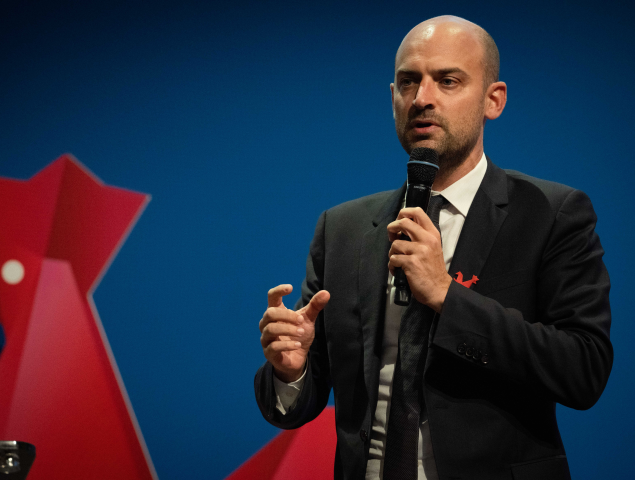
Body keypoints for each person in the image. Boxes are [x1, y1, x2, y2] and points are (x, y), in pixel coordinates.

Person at [254, 15, 612, 480]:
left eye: (447, 81)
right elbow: (297, 405)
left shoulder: (550, 214)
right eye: (408, 82)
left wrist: (446, 295)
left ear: (493, 100)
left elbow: (584, 370)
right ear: (393, 98)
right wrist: (291, 370)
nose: (422, 99)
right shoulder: (341, 228)